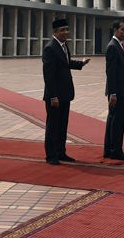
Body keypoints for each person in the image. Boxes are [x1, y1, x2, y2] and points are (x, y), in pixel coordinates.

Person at [42, 18, 90, 165]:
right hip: (55, 96)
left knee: (62, 125)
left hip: (65, 93)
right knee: (53, 126)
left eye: (67, 29)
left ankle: (61, 152)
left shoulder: (64, 46)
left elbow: (66, 63)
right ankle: (51, 155)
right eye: (62, 30)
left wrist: (81, 63)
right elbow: (48, 76)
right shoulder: (50, 48)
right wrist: (53, 96)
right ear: (55, 32)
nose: (66, 32)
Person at [103, 20, 124, 160]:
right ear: (115, 29)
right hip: (117, 92)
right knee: (117, 121)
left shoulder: (118, 45)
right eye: (122, 30)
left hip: (120, 91)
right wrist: (113, 93)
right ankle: (115, 151)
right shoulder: (113, 47)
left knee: (114, 120)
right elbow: (111, 72)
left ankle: (110, 149)